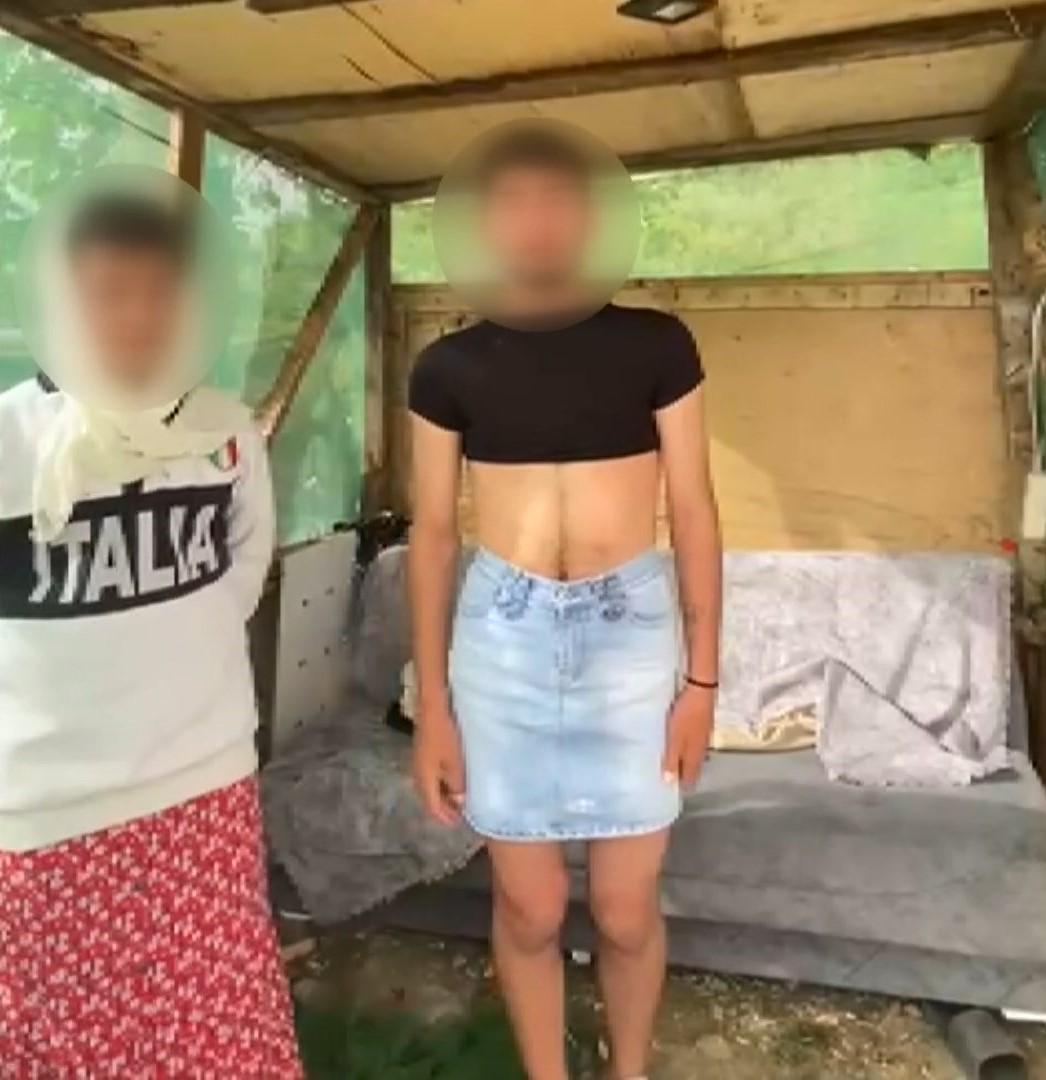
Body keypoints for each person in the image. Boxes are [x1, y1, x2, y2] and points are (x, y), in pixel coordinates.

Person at [408, 127, 722, 1080]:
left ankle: (628, 1072)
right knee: (531, 907)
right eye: (515, 204)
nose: (537, 222)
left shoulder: (658, 344)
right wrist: (433, 708)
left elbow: (695, 509)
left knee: (624, 911)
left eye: (557, 201)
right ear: (484, 226)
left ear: (591, 219)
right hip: (500, 643)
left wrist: (703, 684)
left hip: (629, 640)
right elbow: (433, 533)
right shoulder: (446, 366)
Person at [0, 190, 302, 1076]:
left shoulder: (224, 434)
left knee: (211, 1020)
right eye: (109, 292)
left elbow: (242, 569)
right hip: (44, 814)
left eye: (160, 293)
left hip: (204, 789)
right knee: (59, 1034)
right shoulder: (10, 440)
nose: (137, 316)